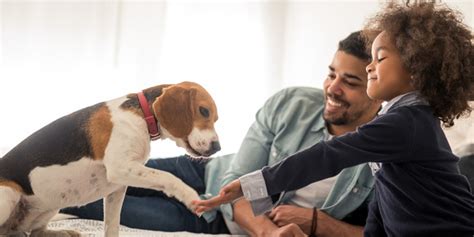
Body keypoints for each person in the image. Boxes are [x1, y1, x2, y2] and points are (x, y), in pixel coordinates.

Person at [61, 31, 382, 236]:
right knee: (93, 171)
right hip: (207, 171)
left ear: (376, 88)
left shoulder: (386, 152)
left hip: (213, 219)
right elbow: (241, 176)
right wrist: (268, 232)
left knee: (83, 202)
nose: (332, 88)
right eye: (330, 74)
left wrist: (319, 224)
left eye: (350, 82)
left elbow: (382, 230)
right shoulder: (292, 103)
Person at [193, 2, 474, 237]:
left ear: (415, 68)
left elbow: (328, 155)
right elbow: (385, 201)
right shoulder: (401, 121)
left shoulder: (407, 123)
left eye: (380, 58)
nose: (370, 66)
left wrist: (251, 185)